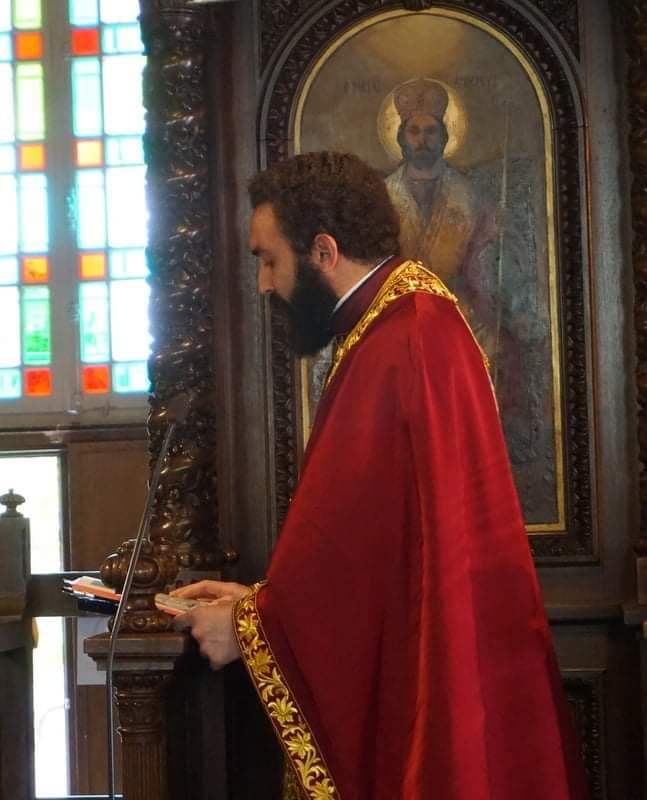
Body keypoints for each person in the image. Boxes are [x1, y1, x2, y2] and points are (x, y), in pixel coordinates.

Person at [173, 152, 588, 799]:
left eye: (269, 260)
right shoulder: (400, 322)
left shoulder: (403, 340)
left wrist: (250, 628)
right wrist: (258, 604)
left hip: (437, 679)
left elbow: (356, 554)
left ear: (323, 251)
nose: (263, 284)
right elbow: (374, 546)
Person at [385, 77, 499, 358]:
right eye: (414, 131)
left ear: (444, 137)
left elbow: (481, 270)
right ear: (401, 138)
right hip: (395, 316)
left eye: (431, 131)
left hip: (459, 314)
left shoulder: (469, 195)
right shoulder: (382, 197)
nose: (422, 140)